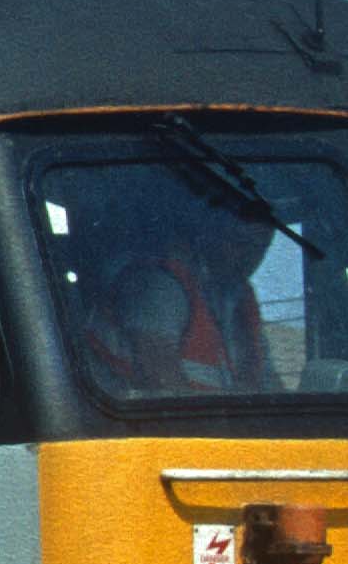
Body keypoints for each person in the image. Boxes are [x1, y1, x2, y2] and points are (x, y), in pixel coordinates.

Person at [57, 159, 279, 400]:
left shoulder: (235, 302)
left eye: (261, 247)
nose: (250, 256)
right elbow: (160, 380)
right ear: (210, 234)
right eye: (240, 243)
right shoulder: (160, 287)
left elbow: (270, 387)